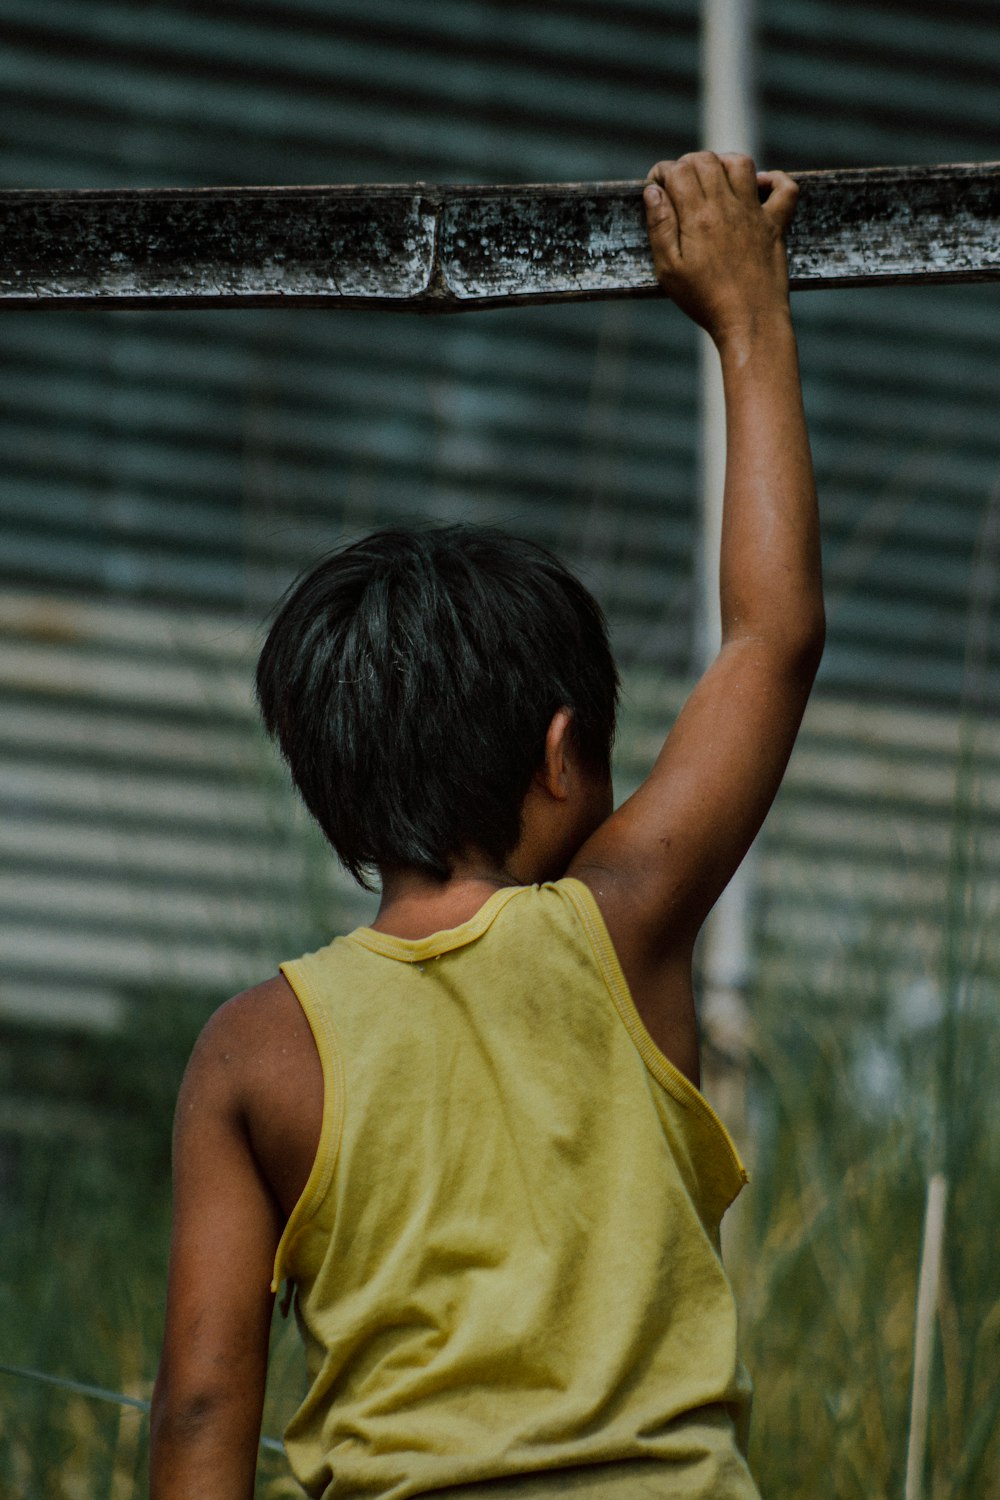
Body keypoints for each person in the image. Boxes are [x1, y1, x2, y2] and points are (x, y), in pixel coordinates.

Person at [149, 152, 823, 1500]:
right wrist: (749, 317)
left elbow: (203, 1416)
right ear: (566, 756)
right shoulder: (620, 930)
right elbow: (773, 634)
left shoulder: (256, 1051)